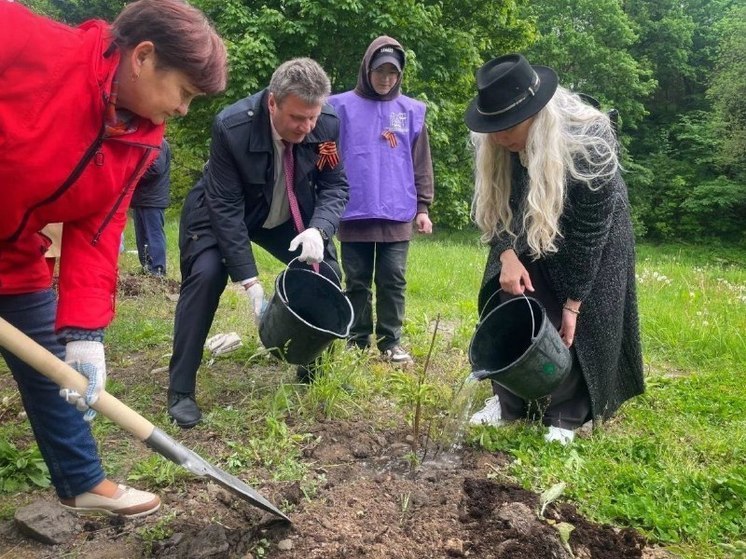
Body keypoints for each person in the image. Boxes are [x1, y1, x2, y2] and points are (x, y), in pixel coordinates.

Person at [0, 0, 227, 518]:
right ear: (144, 56)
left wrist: (86, 333)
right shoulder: (25, 41)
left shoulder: (139, 138)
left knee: (53, 367)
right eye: (184, 93)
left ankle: (82, 483)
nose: (184, 110)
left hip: (12, 253)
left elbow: (97, 230)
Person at [464, 54, 644, 445]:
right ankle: (507, 399)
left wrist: (573, 302)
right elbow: (495, 206)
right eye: (491, 127)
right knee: (507, 289)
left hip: (594, 232)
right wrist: (507, 254)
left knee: (580, 321)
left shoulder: (589, 140)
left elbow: (590, 231)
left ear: (535, 114)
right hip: (528, 220)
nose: (498, 137)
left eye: (507, 127)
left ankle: (567, 412)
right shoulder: (495, 143)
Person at [167, 58, 349, 428]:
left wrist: (319, 229)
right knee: (206, 275)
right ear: (272, 103)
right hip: (221, 211)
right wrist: (249, 280)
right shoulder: (232, 127)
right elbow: (226, 209)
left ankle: (310, 368)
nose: (307, 127)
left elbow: (335, 184)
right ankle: (181, 389)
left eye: (313, 117)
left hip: (285, 215)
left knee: (325, 270)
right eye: (298, 118)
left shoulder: (326, 126)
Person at [328, 36, 434, 365]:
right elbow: (325, 154)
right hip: (353, 210)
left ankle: (391, 342)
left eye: (392, 72)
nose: (386, 78)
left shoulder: (411, 111)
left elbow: (421, 161)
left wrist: (423, 207)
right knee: (356, 279)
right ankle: (357, 339)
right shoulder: (338, 106)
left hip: (397, 212)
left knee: (392, 279)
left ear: (400, 74)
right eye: (380, 71)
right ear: (367, 69)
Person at [131, 139, 172, 276]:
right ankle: (147, 267)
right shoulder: (147, 141)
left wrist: (133, 173)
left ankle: (158, 269)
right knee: (142, 236)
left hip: (152, 199)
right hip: (142, 198)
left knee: (154, 235)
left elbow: (156, 168)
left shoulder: (157, 142)